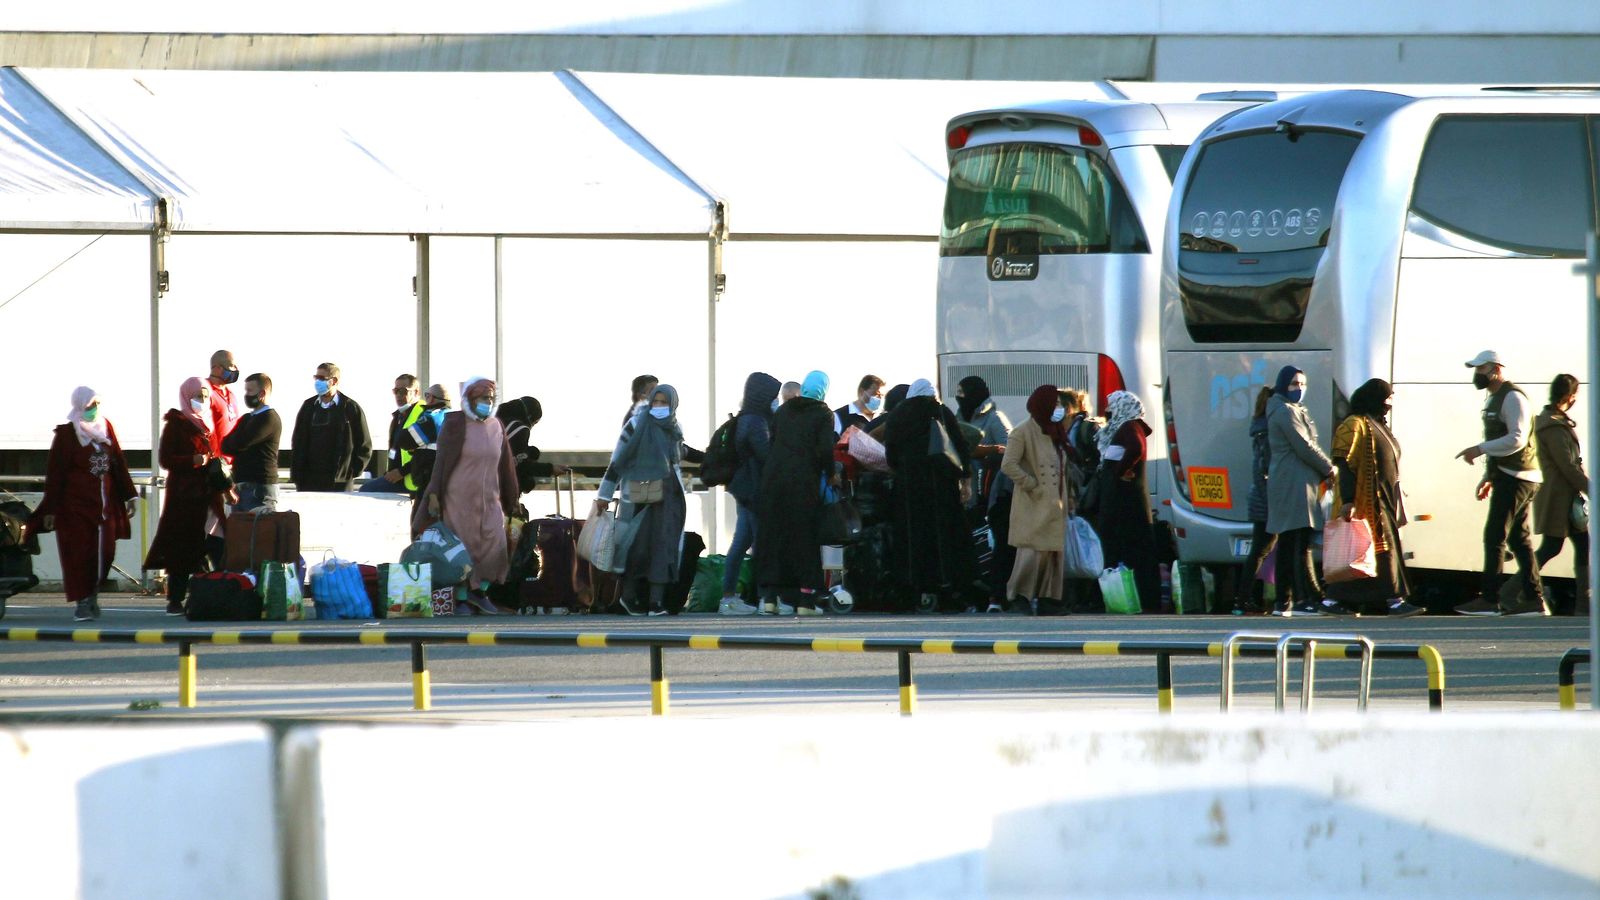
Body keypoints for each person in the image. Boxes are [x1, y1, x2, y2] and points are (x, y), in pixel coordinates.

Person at [411, 377, 520, 615]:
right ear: (471, 399)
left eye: (490, 399)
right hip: (457, 499)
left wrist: (513, 498)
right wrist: (433, 495)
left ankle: (480, 592)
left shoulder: (496, 426)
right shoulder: (456, 423)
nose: (487, 403)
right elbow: (441, 462)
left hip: (490, 500)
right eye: (483, 398)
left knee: (494, 546)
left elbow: (506, 466)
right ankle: (461, 597)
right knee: (463, 548)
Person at [30, 387, 136, 621]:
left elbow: (117, 461)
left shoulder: (105, 428)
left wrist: (130, 495)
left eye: (97, 404)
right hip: (75, 507)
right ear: (79, 406)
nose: (93, 410)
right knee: (79, 554)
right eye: (89, 406)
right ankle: (83, 601)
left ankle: (93, 592)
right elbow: (56, 474)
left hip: (104, 507)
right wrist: (50, 509)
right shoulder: (68, 435)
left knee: (105, 553)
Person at [1455, 350, 1547, 616]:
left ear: (1495, 369)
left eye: (1480, 369)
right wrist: (1489, 477)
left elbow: (1516, 439)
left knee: (1495, 535)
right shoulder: (1497, 397)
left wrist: (1480, 449)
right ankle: (1533, 600)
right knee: (1519, 540)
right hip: (1512, 475)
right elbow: (1506, 443)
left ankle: (1490, 599)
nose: (1476, 375)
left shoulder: (1512, 397)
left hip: (1518, 477)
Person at [880, 378, 979, 611]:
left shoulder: (898, 414)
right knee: (943, 538)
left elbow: (890, 451)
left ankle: (911, 592)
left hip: (908, 487)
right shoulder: (941, 411)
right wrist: (965, 478)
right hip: (940, 486)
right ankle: (946, 591)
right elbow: (960, 444)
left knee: (911, 539)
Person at [1327, 379, 1420, 616]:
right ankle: (1394, 601)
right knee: (1374, 550)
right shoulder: (1354, 424)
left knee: (1370, 552)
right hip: (1365, 500)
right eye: (1386, 398)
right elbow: (1344, 463)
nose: (1389, 403)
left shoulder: (1378, 424)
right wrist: (1348, 500)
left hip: (1385, 500)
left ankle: (1339, 601)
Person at [598, 384, 690, 616]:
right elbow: (618, 461)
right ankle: (628, 597)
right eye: (655, 402)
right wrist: (604, 495)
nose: (658, 407)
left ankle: (655, 603)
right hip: (640, 496)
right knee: (635, 548)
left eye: (664, 403)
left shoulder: (674, 427)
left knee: (664, 546)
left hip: (668, 497)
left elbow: (677, 458)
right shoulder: (636, 424)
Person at [144, 377, 229, 616]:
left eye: (204, 396)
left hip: (210, 497)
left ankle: (220, 594)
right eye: (197, 396)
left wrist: (226, 486)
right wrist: (191, 461)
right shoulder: (177, 424)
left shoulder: (208, 423)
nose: (201, 401)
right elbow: (165, 459)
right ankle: (176, 599)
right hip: (185, 498)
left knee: (218, 545)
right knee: (182, 550)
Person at [756, 371, 836, 616]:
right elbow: (824, 450)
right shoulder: (823, 413)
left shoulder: (784, 411)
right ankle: (805, 601)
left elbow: (774, 443)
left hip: (773, 481)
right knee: (804, 540)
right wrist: (832, 473)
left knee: (775, 538)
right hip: (802, 483)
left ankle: (770, 599)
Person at [1264, 368, 1335, 617]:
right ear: (1284, 384)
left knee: (1289, 543)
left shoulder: (1286, 409)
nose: (1300, 388)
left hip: (1294, 481)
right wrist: (1329, 468)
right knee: (1296, 544)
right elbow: (1304, 445)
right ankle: (1303, 599)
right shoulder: (1285, 411)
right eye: (1295, 383)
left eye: (1303, 383)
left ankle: (1285, 601)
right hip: (1294, 483)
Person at [1000, 386, 1069, 615]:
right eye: (1055, 403)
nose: (1059, 408)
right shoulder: (1021, 431)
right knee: (1031, 552)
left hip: (1056, 502)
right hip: (1034, 501)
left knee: (1053, 553)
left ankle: (1048, 599)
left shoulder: (1055, 431)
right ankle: (1019, 597)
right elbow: (1008, 464)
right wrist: (1032, 485)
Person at [1094, 390, 1163, 612]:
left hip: (1125, 503)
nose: (1109, 411)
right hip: (1125, 501)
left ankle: (1143, 601)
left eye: (1113, 406)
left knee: (1135, 551)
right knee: (1135, 552)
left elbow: (1135, 448)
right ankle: (1135, 600)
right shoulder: (1127, 427)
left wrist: (1120, 472)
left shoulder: (1129, 427)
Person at [719, 372, 781, 615]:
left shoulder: (747, 417)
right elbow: (766, 455)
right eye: (772, 396)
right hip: (755, 491)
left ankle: (729, 597)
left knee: (741, 544)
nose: (775, 401)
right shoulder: (756, 421)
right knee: (761, 545)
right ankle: (766, 598)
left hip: (745, 490)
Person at [1533, 374, 1589, 616]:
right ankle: (1512, 591)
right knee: (1551, 547)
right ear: (1569, 397)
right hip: (1559, 497)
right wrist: (1591, 489)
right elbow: (1567, 465)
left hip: (1564, 496)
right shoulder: (1553, 426)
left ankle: (1584, 605)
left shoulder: (1553, 422)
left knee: (1581, 543)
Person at [290, 362, 373, 493]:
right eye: (316, 378)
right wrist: (297, 475)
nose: (318, 382)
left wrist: (350, 472)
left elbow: (364, 444)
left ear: (334, 381)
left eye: (322, 378)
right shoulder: (309, 407)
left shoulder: (350, 408)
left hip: (339, 481)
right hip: (310, 480)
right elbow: (298, 441)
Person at [1232, 387, 1277, 615]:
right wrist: (1272, 501)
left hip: (1260, 499)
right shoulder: (1267, 431)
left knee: (1260, 550)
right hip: (1266, 501)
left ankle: (1244, 599)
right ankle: (1243, 600)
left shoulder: (1259, 427)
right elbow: (1264, 469)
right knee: (1261, 550)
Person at [221, 373, 282, 513]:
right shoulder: (247, 418)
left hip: (260, 487)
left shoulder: (269, 418)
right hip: (241, 485)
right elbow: (226, 445)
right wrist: (235, 442)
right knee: (240, 531)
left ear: (262, 393)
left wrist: (236, 442)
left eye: (250, 391)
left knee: (258, 531)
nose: (246, 395)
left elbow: (241, 442)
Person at [361, 374, 422, 494]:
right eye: (396, 391)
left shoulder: (422, 416)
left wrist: (401, 472)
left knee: (367, 490)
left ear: (416, 392)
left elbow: (425, 455)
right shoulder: (399, 416)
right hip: (396, 478)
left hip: (413, 480)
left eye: (403, 391)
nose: (398, 395)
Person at [497, 396, 567, 495]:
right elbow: (519, 465)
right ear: (530, 417)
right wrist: (550, 469)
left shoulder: (495, 420)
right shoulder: (519, 428)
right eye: (534, 423)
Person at [206, 349, 242, 462]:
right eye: (232, 366)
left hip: (231, 465)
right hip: (212, 466)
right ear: (217, 368)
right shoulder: (205, 391)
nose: (236, 370)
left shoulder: (231, 395)